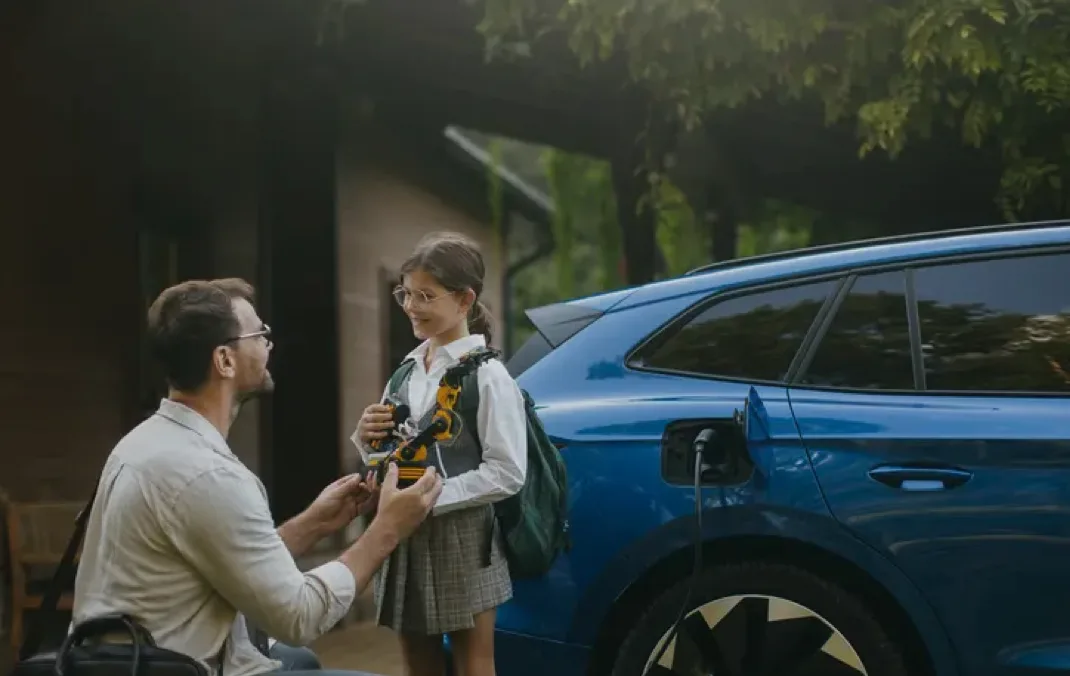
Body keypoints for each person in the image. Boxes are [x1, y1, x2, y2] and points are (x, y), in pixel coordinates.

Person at [72, 277, 442, 676]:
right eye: (259, 333)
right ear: (224, 360)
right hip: (168, 668)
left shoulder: (146, 442)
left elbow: (232, 563)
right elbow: (298, 617)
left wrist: (314, 523)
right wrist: (386, 530)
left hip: (122, 661)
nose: (269, 342)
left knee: (300, 662)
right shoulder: (207, 474)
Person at [352, 232, 527, 676]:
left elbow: (508, 472)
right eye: (405, 294)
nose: (411, 306)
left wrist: (431, 498)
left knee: (474, 665)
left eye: (425, 296)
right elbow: (392, 449)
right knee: (418, 665)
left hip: (465, 535)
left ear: (465, 299)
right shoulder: (406, 371)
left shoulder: (489, 377)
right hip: (404, 530)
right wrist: (365, 440)